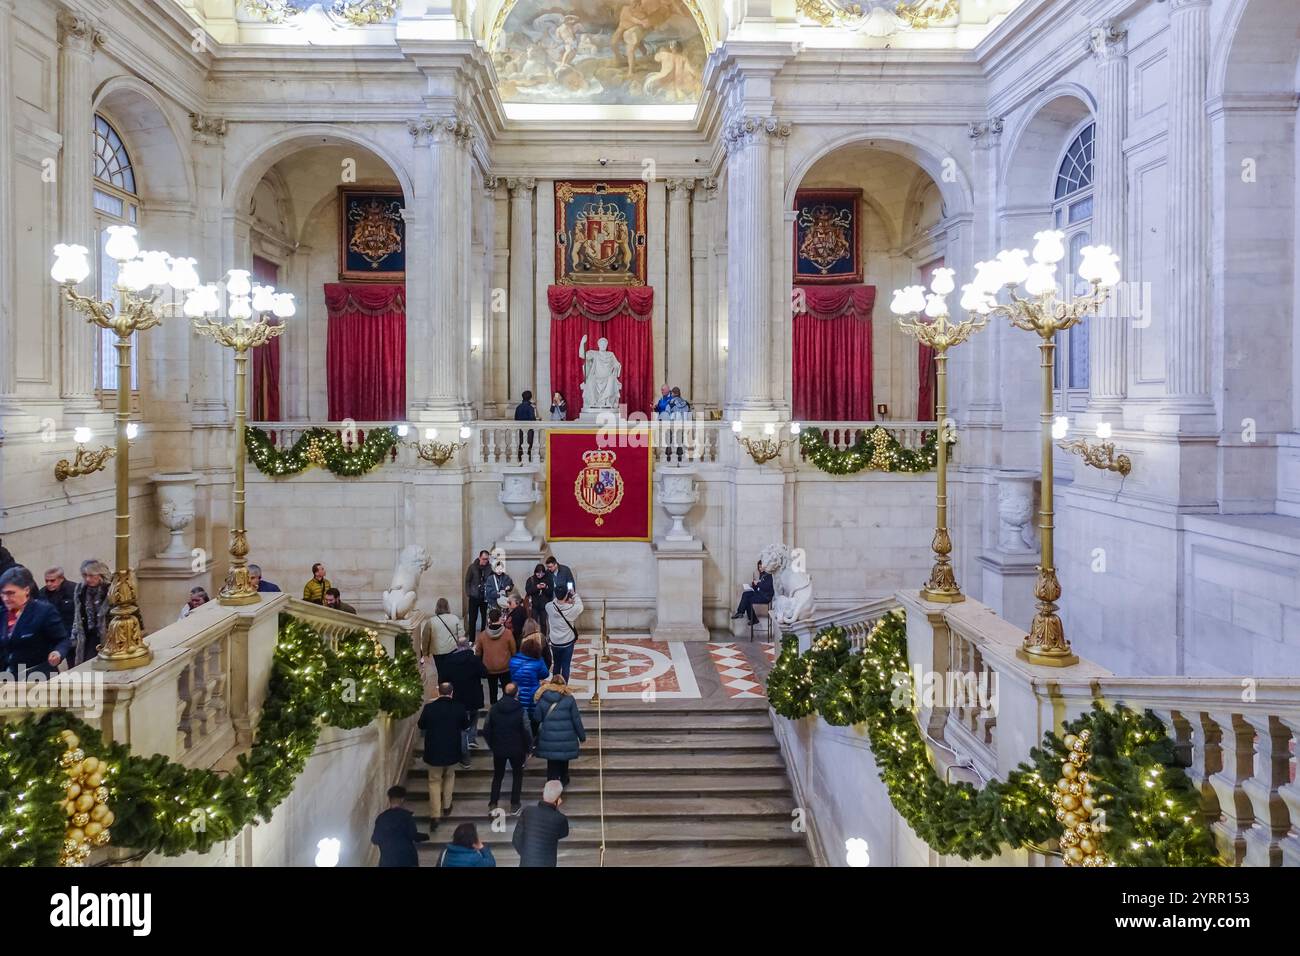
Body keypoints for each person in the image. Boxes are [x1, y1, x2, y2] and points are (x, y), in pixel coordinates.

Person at [1, 566, 72, 678]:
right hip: (9, 678)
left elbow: (62, 640)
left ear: (26, 590)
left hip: (39, 676)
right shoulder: (2, 613)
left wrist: (57, 653)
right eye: (3, 593)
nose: (5, 598)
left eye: (10, 593)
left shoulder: (44, 611)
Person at [417, 682, 469, 831]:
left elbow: (421, 725)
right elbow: (465, 726)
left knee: (434, 782)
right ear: (452, 693)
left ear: (438, 692)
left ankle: (435, 815)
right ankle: (447, 805)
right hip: (452, 749)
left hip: (433, 751)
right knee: (449, 776)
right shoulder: (459, 707)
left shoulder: (429, 708)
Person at [482, 682, 531, 815]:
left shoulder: (494, 708)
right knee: (517, 775)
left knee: (498, 776)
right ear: (516, 694)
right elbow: (526, 730)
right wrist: (528, 748)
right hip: (517, 749)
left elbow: (486, 729)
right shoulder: (521, 710)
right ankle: (515, 804)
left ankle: (493, 803)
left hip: (499, 748)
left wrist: (492, 744)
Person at [438, 639, 487, 767]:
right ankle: (471, 739)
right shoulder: (474, 659)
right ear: (468, 646)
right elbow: (484, 673)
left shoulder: (449, 661)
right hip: (474, 695)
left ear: (457, 647)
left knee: (461, 729)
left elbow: (443, 679)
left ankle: (465, 757)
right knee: (474, 715)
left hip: (458, 697)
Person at [534, 674, 586, 787]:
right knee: (564, 760)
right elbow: (576, 719)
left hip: (548, 737)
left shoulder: (542, 698)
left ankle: (551, 784)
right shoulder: (569, 699)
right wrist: (582, 736)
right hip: (566, 737)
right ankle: (564, 779)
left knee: (552, 763)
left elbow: (537, 718)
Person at [512, 779, 569, 868]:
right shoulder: (560, 818)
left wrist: (527, 855)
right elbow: (564, 833)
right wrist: (556, 808)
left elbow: (516, 839)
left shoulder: (528, 811)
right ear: (558, 800)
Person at [370, 785, 429, 867]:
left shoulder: (382, 818)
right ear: (402, 799)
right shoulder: (406, 817)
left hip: (387, 861)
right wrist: (426, 836)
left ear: (389, 799)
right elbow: (413, 835)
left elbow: (375, 839)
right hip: (407, 860)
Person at [509, 635, 552, 739]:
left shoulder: (513, 661)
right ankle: (532, 739)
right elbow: (545, 674)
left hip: (518, 694)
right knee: (534, 719)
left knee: (520, 718)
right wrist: (541, 659)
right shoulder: (537, 662)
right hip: (532, 695)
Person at [70, 559, 110, 666]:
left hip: (108, 637)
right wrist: (74, 636)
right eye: (85, 575)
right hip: (88, 636)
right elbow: (77, 614)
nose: (88, 579)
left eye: (92, 575)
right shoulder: (81, 590)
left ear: (100, 575)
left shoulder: (109, 590)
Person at [476, 608, 517, 705]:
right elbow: (513, 650)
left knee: (492, 692)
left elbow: (478, 653)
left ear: (489, 619)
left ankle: (494, 710)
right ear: (500, 618)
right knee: (507, 691)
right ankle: (507, 708)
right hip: (505, 667)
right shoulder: (507, 633)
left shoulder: (482, 635)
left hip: (490, 668)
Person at [545, 588, 583, 682]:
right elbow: (580, 606)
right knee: (565, 665)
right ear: (566, 596)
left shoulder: (549, 607)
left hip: (555, 642)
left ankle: (554, 685)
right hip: (567, 642)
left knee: (556, 664)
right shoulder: (572, 608)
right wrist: (574, 595)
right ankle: (564, 687)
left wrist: (560, 600)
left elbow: (553, 602)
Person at [421, 597, 466, 674]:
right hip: (452, 649)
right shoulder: (454, 618)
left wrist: (425, 652)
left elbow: (425, 639)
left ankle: (442, 684)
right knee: (452, 672)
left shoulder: (431, 621)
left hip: (437, 652)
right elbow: (462, 635)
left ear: (437, 607)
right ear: (447, 606)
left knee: (441, 672)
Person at [732, 559, 775, 626]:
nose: (760, 568)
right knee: (745, 594)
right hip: (760, 594)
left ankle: (751, 618)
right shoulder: (762, 574)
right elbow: (759, 587)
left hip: (766, 597)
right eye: (759, 567)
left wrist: (757, 583)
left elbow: (767, 587)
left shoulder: (769, 575)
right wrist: (753, 585)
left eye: (761, 567)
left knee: (747, 600)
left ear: (765, 566)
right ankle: (742, 613)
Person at [40, 567, 78, 633]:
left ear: (61, 579)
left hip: (71, 630)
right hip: (50, 630)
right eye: (46, 581)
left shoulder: (74, 590)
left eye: (52, 581)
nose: (49, 584)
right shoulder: (42, 593)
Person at [464, 550, 491, 635]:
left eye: (486, 559)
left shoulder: (490, 568)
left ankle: (483, 636)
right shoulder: (472, 567)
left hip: (485, 597)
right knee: (472, 618)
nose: (485, 561)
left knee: (485, 618)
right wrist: (469, 593)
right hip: (474, 596)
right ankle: (471, 639)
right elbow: (467, 580)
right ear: (479, 558)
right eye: (483, 559)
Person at [525, 562, 552, 637]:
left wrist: (546, 587)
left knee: (543, 623)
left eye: (542, 573)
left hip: (544, 606)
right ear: (535, 572)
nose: (540, 575)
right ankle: (534, 637)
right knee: (534, 623)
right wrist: (536, 587)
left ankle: (543, 638)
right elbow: (528, 591)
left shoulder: (548, 579)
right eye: (538, 573)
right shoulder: (531, 579)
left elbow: (550, 593)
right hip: (534, 606)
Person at [514, 390, 538, 459]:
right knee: (529, 444)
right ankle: (528, 457)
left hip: (521, 428)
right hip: (529, 429)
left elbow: (516, 418)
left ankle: (520, 457)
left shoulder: (518, 407)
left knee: (521, 443)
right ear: (530, 398)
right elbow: (532, 419)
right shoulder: (530, 408)